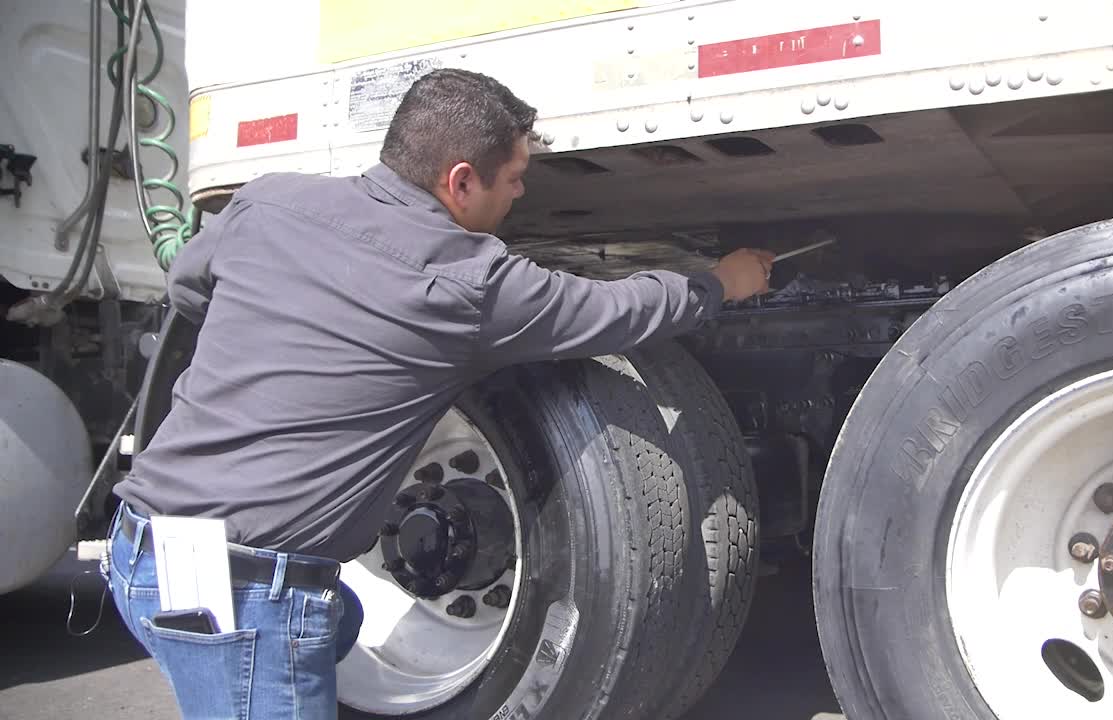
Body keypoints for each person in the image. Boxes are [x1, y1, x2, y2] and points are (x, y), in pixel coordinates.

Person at [103, 68, 773, 718]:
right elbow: (616, 312)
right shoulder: (467, 283)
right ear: (460, 181)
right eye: (513, 179)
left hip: (140, 549)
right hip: (246, 599)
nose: (516, 195)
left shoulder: (267, 199)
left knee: (339, 624)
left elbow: (189, 288)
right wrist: (721, 283)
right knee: (295, 639)